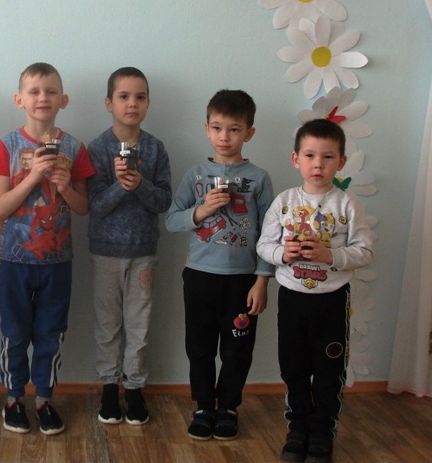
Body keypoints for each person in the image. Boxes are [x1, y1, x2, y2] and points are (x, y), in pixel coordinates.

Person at [0, 62, 94, 435]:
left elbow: (83, 208)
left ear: (64, 99)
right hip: (15, 260)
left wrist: (64, 187)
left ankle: (44, 399)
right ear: (20, 100)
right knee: (15, 332)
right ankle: (13, 398)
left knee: (51, 332)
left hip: (57, 261)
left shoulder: (74, 148)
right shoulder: (7, 146)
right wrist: (32, 176)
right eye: (34, 91)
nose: (42, 97)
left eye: (51, 91)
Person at [256, 118, 374, 463]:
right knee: (293, 367)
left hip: (332, 301)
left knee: (328, 370)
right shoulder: (284, 201)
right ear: (296, 159)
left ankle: (322, 432)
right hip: (292, 298)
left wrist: (330, 256)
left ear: (341, 162)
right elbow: (263, 245)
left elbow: (365, 252)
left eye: (327, 157)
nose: (318, 164)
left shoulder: (348, 205)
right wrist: (283, 253)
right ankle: (298, 428)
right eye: (310, 155)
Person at [165, 89, 274, 441]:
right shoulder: (196, 175)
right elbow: (171, 220)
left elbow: (269, 233)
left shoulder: (259, 178)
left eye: (234, 129)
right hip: (200, 276)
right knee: (199, 346)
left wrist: (262, 280)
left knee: (237, 348)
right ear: (207, 129)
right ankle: (203, 406)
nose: (224, 137)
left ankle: (228, 407)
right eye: (217, 128)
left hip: (242, 280)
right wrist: (202, 210)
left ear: (249, 133)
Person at [87, 67, 172, 425]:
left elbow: (164, 201)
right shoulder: (97, 148)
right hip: (106, 252)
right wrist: (121, 187)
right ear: (109, 103)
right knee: (108, 325)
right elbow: (94, 205)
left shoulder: (154, 148)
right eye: (124, 97)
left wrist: (140, 184)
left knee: (139, 324)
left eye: (140, 97)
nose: (132, 104)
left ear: (148, 103)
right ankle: (109, 387)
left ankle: (134, 387)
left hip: (143, 253)